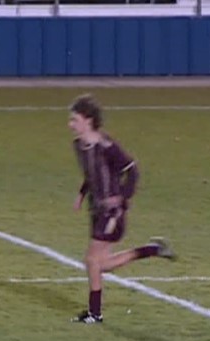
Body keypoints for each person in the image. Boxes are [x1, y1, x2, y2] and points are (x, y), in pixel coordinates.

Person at [68, 93, 174, 324]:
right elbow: (92, 174)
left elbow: (132, 171)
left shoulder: (107, 146)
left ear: (88, 120)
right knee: (101, 264)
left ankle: (95, 313)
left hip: (112, 213)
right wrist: (81, 194)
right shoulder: (79, 145)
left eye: (74, 119)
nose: (71, 124)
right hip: (95, 210)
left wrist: (122, 198)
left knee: (92, 260)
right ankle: (151, 250)